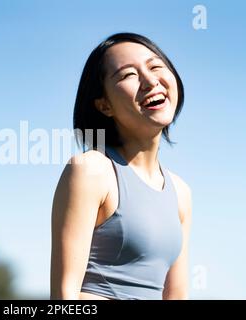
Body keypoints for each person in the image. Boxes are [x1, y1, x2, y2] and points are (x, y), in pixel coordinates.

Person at [50, 33, 192, 300]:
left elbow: (177, 296)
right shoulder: (90, 171)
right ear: (104, 105)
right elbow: (64, 297)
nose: (150, 81)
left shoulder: (181, 192)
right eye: (128, 75)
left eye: (155, 66)